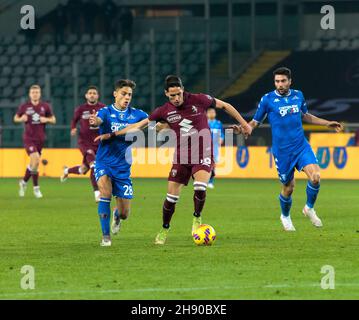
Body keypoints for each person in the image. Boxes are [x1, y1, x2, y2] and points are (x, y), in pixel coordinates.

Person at [96, 75, 252, 245]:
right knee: (171, 198)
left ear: (182, 90)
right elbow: (138, 125)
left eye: (178, 94)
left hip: (203, 152)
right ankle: (164, 229)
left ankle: (196, 219)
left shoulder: (199, 99)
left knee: (200, 187)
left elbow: (225, 105)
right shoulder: (163, 111)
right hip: (182, 155)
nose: (176, 98)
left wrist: (245, 124)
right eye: (172, 96)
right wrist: (112, 134)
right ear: (166, 94)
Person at [234, 67, 343, 231]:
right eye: (277, 81)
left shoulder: (298, 95)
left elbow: (305, 115)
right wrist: (244, 129)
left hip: (301, 146)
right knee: (288, 188)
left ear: (290, 81)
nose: (280, 84)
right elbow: (254, 123)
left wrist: (327, 123)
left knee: (316, 177)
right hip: (282, 152)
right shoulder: (267, 100)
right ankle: (285, 216)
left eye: (283, 81)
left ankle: (309, 208)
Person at [89, 80, 149, 247]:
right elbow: (99, 120)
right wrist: (95, 122)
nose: (127, 97)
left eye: (129, 94)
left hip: (123, 167)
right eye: (123, 93)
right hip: (104, 161)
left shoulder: (137, 115)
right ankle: (106, 236)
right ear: (115, 94)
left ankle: (117, 215)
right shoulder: (106, 111)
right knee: (105, 193)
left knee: (124, 214)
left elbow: (154, 123)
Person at [60, 86, 105, 202]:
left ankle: (66, 171)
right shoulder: (81, 109)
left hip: (98, 143)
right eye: (90, 93)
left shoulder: (102, 108)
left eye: (94, 93)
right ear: (86, 95)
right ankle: (97, 193)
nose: (92, 95)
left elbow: (108, 121)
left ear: (97, 95)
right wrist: (73, 128)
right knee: (94, 166)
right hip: (84, 143)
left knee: (83, 169)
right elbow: (74, 120)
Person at [14, 85, 56, 198]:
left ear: (40, 94)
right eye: (33, 92)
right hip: (28, 138)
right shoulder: (24, 106)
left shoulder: (45, 106)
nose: (35, 94)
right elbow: (15, 118)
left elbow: (53, 119)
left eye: (37, 92)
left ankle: (23, 182)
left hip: (40, 139)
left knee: (34, 163)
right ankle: (36, 188)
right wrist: (21, 119)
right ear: (30, 94)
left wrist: (46, 119)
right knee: (36, 159)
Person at [207, 106, 224, 189]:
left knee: (213, 165)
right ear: (206, 114)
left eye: (213, 112)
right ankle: (202, 180)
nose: (212, 114)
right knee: (204, 164)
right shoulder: (204, 123)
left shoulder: (218, 123)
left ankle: (210, 182)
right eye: (210, 112)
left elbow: (222, 133)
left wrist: (222, 138)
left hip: (215, 148)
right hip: (204, 147)